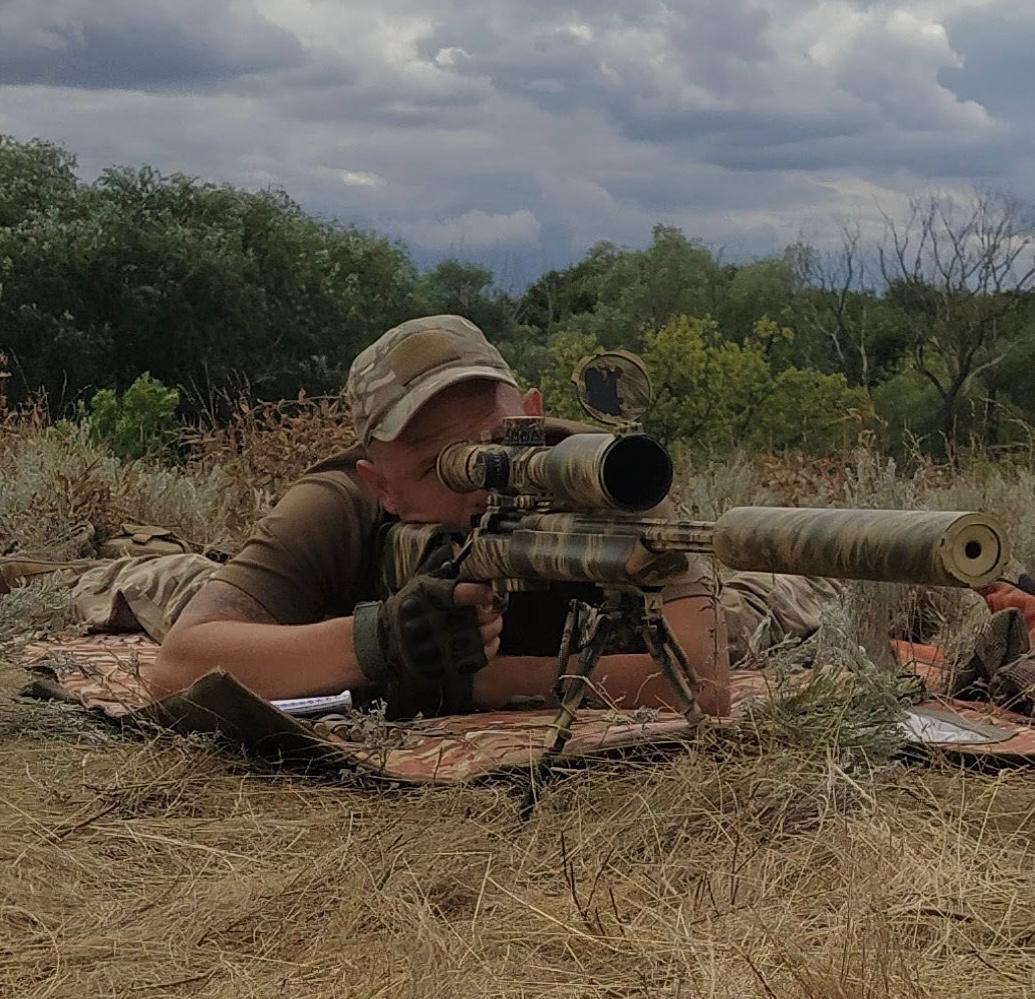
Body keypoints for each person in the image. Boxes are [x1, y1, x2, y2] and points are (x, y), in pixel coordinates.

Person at [146, 315, 734, 718]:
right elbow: (179, 665)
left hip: (647, 608)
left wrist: (485, 683)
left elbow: (703, 684)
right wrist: (381, 641)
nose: (486, 481)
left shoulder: (609, 476)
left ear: (533, 413)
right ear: (382, 486)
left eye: (499, 443)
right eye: (440, 468)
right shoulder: (337, 505)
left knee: (765, 602)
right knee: (156, 581)